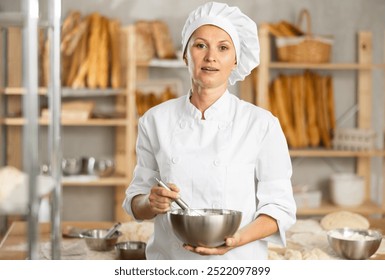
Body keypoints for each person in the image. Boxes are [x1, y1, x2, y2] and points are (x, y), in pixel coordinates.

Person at [122, 1, 296, 260]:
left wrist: (236, 240)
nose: (210, 57)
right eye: (200, 45)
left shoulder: (261, 124)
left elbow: (279, 207)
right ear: (185, 54)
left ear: (236, 60)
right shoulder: (155, 120)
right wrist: (151, 202)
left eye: (223, 48)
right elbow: (136, 201)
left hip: (236, 262)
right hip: (170, 263)